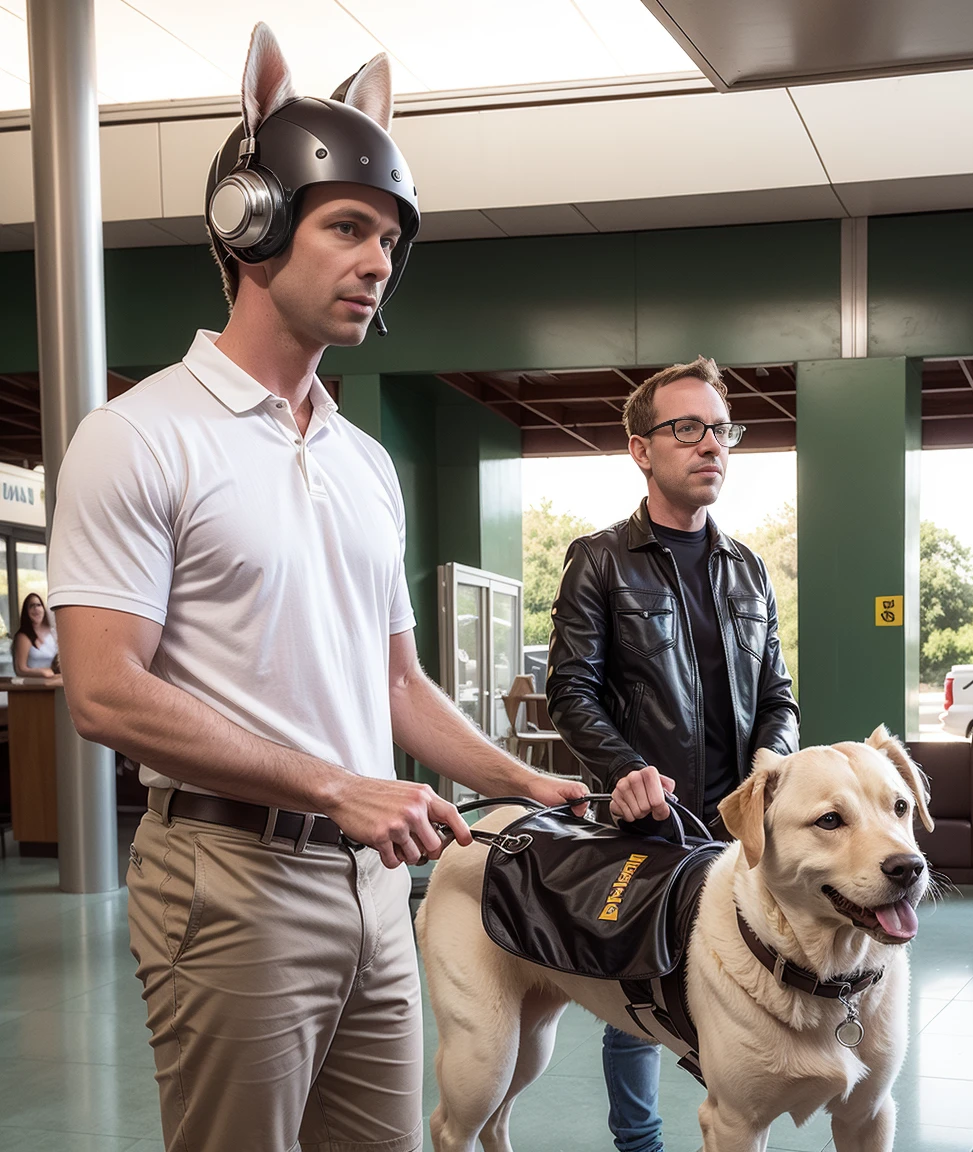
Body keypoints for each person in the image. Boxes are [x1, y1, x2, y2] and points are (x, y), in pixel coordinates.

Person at [46, 25, 585, 1152]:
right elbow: (101, 693)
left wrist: (525, 783)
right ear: (251, 226)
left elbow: (397, 682)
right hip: (227, 881)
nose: (379, 261)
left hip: (377, 892)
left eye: (389, 237)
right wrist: (340, 788)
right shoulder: (139, 438)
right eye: (347, 228)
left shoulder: (362, 460)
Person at [546, 355, 800, 1152]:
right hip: (651, 825)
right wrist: (625, 773)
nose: (710, 446)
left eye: (721, 430)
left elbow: (780, 699)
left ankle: (729, 1125)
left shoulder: (747, 569)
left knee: (748, 988)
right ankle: (640, 1145)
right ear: (640, 448)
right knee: (643, 1001)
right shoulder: (600, 561)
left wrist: (772, 771)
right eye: (686, 429)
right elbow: (571, 693)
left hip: (744, 827)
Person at [11, 592, 57, 678]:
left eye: (39, 605)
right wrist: (42, 672)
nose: (36, 609)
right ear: (26, 612)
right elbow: (20, 669)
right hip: (32, 686)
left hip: (53, 684)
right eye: (31, 606)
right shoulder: (23, 636)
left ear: (43, 608)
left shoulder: (52, 633)